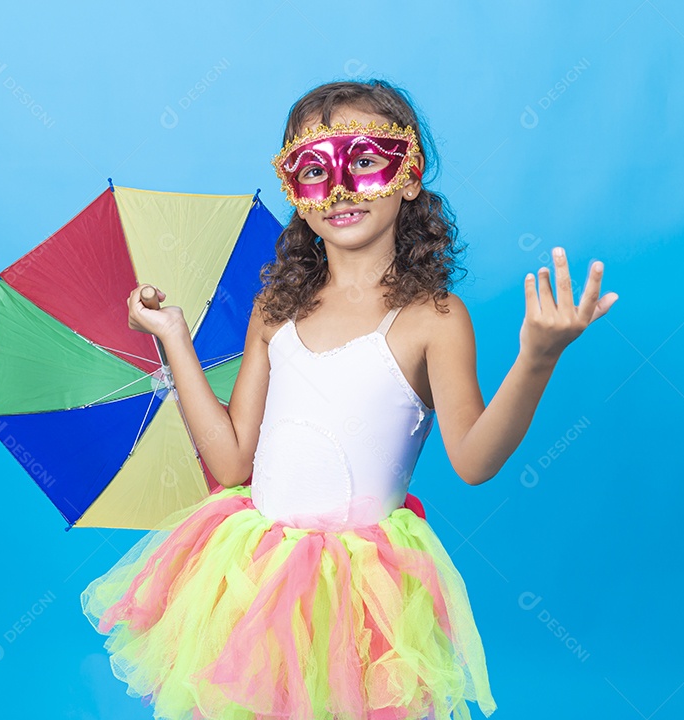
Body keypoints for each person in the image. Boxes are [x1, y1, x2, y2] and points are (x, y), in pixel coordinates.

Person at [81, 79, 618, 720]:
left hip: (364, 590)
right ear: (294, 190)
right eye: (314, 169)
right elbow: (230, 462)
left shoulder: (434, 318)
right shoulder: (274, 310)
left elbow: (474, 461)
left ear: (409, 175)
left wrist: (537, 357)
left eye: (364, 160)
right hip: (256, 574)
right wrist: (173, 337)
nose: (339, 188)